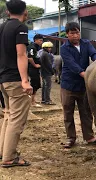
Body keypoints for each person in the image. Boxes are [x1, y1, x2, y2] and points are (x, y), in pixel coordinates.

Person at [0, 0, 33, 167]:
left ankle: (3, 152)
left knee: (8, 115)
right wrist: (25, 81)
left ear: (7, 12)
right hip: (14, 79)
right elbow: (21, 55)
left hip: (3, 79)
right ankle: (9, 157)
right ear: (25, 12)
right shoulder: (20, 28)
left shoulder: (2, 27)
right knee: (16, 120)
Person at [60, 22, 96, 148]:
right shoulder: (64, 48)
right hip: (68, 85)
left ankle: (89, 136)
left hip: (83, 86)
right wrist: (85, 74)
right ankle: (71, 138)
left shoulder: (86, 43)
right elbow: (71, 64)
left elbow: (94, 54)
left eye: (77, 32)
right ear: (67, 34)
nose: (75, 35)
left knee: (86, 112)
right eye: (72, 33)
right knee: (68, 112)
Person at [27, 34, 43, 108]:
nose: (41, 42)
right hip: (32, 68)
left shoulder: (36, 47)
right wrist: (35, 65)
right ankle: (32, 102)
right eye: (40, 40)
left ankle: (33, 99)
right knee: (34, 83)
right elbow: (30, 58)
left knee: (37, 83)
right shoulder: (32, 47)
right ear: (35, 40)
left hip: (35, 69)